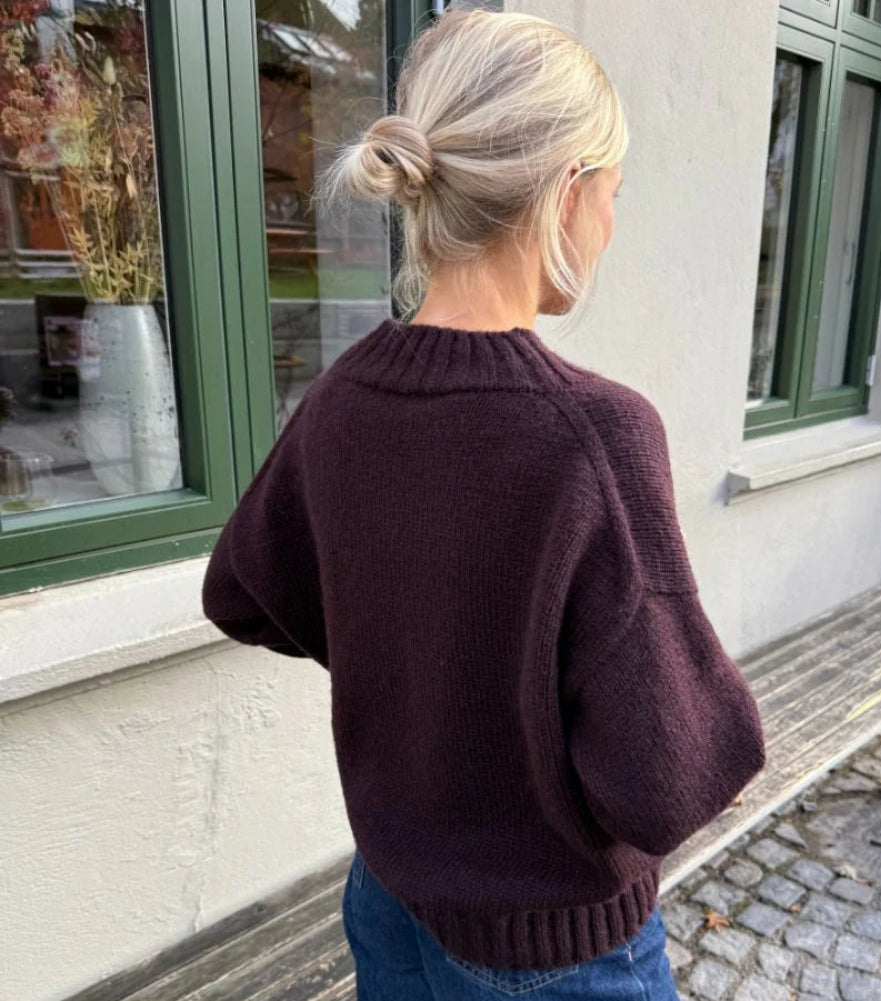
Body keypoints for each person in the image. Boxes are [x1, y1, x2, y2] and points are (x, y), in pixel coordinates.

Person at [201, 8, 767, 999]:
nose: (610, 224)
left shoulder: (340, 402)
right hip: (554, 945)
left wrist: (414, 663)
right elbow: (669, 777)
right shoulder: (594, 434)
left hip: (390, 895)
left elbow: (242, 593)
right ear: (567, 191)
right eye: (614, 194)